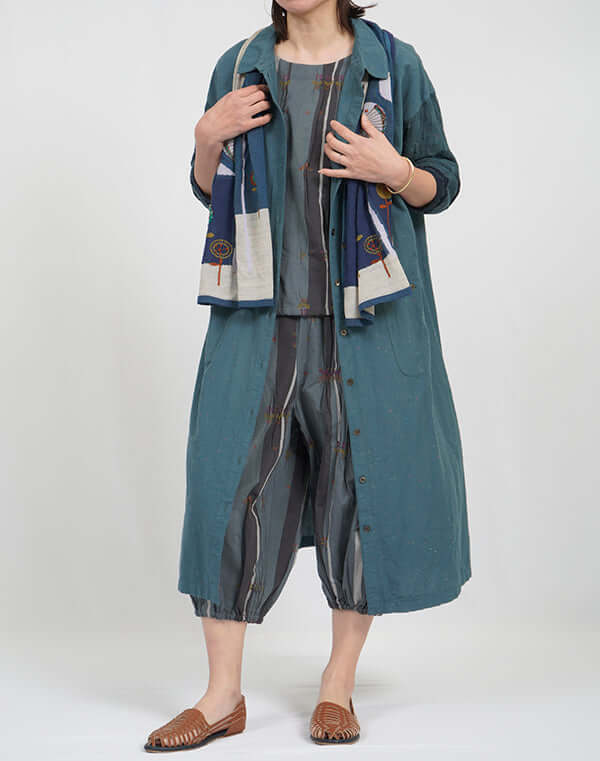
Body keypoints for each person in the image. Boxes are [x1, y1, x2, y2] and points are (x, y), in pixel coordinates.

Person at [144, 0, 471, 751]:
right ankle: (221, 697)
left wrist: (397, 171)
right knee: (228, 493)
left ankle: (336, 687)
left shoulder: (394, 66)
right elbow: (211, 190)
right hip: (257, 318)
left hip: (367, 324)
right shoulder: (240, 66)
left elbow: (443, 182)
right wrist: (205, 137)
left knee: (358, 494)